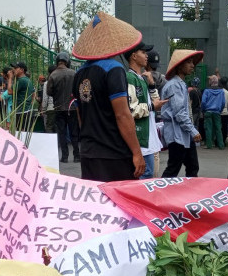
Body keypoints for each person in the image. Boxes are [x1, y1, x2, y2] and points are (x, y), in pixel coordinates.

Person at [71, 11, 145, 181]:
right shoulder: (114, 69)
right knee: (121, 204)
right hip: (114, 153)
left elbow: (80, 115)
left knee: (97, 205)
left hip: (89, 153)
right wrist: (136, 153)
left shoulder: (79, 74)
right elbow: (122, 115)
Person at [125, 41, 167, 179]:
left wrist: (151, 85)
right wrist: (152, 107)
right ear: (134, 56)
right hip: (140, 138)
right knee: (144, 176)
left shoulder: (141, 78)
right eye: (143, 52)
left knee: (149, 175)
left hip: (149, 136)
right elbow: (131, 110)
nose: (146, 56)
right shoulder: (130, 78)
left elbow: (153, 102)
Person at [160, 49, 204, 177]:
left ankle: (187, 194)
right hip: (176, 134)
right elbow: (179, 112)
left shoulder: (181, 84)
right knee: (173, 168)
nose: (192, 65)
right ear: (179, 66)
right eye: (189, 62)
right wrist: (193, 130)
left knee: (192, 167)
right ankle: (160, 193)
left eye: (192, 62)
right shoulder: (174, 85)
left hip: (183, 134)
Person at [47, 51, 80, 163]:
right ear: (67, 61)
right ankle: (76, 156)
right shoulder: (73, 73)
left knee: (61, 133)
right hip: (72, 108)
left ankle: (64, 157)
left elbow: (49, 92)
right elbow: (77, 90)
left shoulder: (53, 75)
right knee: (74, 132)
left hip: (59, 108)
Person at [8, 61, 35, 131]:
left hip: (21, 112)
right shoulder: (27, 80)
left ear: (22, 70)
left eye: (16, 68)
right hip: (27, 110)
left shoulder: (21, 80)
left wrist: (10, 78)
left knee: (21, 132)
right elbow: (33, 94)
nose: (14, 69)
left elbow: (10, 92)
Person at [201, 75, 225, 150]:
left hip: (208, 111)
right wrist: (220, 110)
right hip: (217, 112)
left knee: (208, 128)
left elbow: (203, 102)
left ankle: (209, 145)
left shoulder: (207, 91)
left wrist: (204, 109)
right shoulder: (221, 91)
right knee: (218, 128)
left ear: (210, 82)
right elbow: (223, 102)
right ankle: (221, 145)